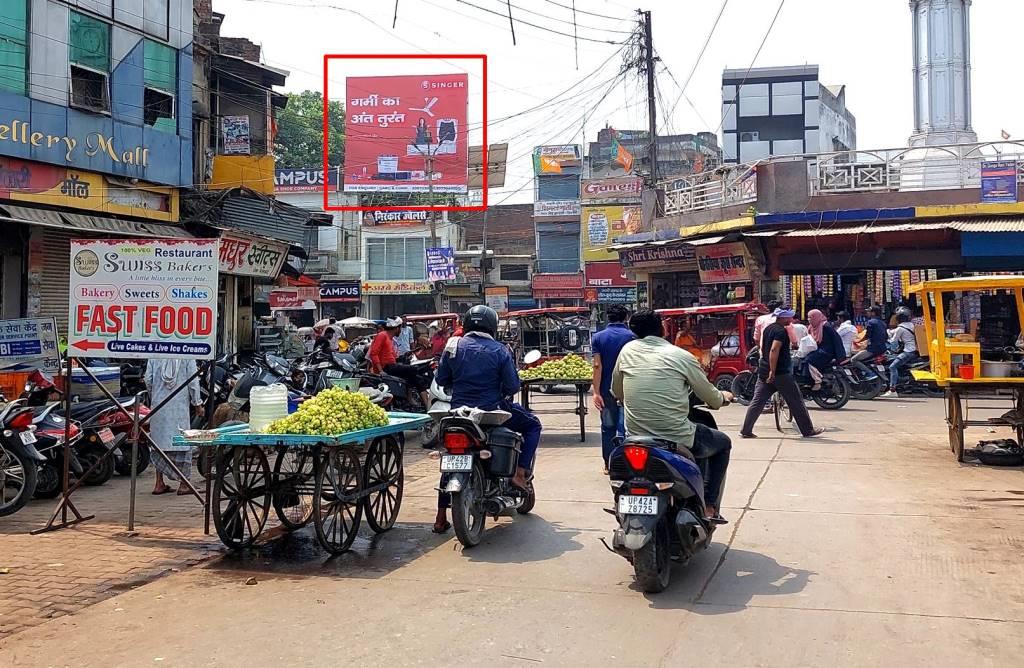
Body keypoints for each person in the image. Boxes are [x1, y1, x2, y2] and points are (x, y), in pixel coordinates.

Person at [610, 310, 733, 521]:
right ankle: (709, 505)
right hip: (676, 437)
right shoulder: (681, 356)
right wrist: (723, 396)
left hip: (635, 438)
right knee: (723, 444)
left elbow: (617, 391)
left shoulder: (627, 351)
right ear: (663, 328)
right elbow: (711, 397)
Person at [432, 305, 542, 533]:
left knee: (451, 459)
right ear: (492, 326)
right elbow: (512, 386)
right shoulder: (500, 350)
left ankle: (440, 517)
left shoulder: (453, 346)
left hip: (458, 414)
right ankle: (520, 473)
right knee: (532, 425)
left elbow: (442, 380)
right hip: (492, 412)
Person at [740, 308, 824, 439]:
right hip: (780, 373)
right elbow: (774, 350)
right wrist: (772, 371)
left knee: (757, 401)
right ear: (783, 318)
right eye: (789, 318)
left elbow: (763, 347)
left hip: (764, 370)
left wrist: (769, 370)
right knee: (796, 401)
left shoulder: (768, 329)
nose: (791, 320)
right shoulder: (780, 332)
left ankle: (746, 430)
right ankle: (807, 430)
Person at [145, 359, 203, 495]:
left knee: (159, 444)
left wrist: (155, 396)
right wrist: (197, 404)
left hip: (158, 404)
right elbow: (193, 382)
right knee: (182, 443)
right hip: (179, 406)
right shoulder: (187, 354)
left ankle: (159, 483)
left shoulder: (155, 353)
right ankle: (184, 484)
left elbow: (148, 379)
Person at [590, 305, 636, 473]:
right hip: (628, 390)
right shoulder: (633, 337)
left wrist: (596, 392)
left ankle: (608, 464)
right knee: (627, 428)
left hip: (606, 391)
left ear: (607, 317)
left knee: (608, 427)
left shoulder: (598, 337)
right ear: (626, 318)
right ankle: (625, 463)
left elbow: (597, 365)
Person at [369, 318, 429, 406]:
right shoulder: (382, 335)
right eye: (400, 328)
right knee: (414, 369)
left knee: (418, 378)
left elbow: (392, 357)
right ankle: (409, 396)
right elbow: (373, 354)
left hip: (392, 365)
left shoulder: (391, 339)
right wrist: (381, 371)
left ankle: (427, 406)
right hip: (387, 368)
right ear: (397, 328)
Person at [802, 309, 847, 389]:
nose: (809, 319)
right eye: (808, 317)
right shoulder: (812, 327)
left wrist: (840, 356)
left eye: (811, 317)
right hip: (819, 350)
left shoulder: (825, 326)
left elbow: (836, 340)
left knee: (808, 360)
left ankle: (816, 381)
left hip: (826, 352)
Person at [885, 308, 918, 397]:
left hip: (908, 351)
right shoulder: (911, 325)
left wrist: (888, 338)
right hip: (914, 350)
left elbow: (893, 341)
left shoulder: (900, 328)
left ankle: (892, 390)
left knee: (892, 367)